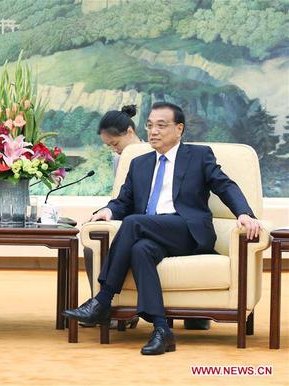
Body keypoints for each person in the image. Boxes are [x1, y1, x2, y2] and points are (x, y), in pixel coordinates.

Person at [63, 102, 261, 355]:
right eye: (149, 125)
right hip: (151, 232)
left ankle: (102, 300)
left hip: (187, 232)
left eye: (161, 125)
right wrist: (108, 211)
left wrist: (244, 213)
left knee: (134, 223)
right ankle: (161, 331)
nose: (153, 131)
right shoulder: (140, 163)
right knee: (141, 250)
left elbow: (225, 185)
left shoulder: (199, 156)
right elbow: (124, 200)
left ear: (179, 129)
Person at [82, 105, 141, 329]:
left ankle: (116, 308)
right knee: (92, 241)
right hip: (123, 212)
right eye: (109, 146)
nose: (114, 151)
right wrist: (104, 212)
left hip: (144, 217)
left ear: (129, 132)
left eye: (115, 144)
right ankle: (98, 303)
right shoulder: (120, 158)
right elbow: (122, 197)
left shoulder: (151, 152)